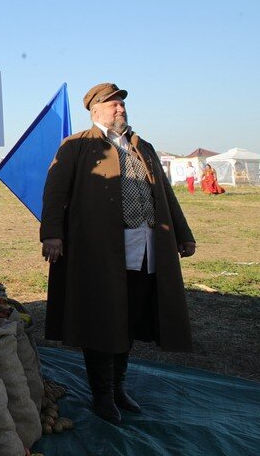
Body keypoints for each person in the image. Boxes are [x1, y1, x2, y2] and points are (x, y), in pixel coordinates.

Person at [40, 82, 196, 424]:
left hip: (146, 246)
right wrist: (52, 234)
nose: (120, 109)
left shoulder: (143, 147)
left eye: (122, 105)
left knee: (129, 315)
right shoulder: (77, 145)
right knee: (101, 317)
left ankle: (119, 387)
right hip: (100, 249)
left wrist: (182, 234)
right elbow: (54, 190)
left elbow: (167, 195)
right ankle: (102, 395)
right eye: (113, 105)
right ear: (96, 111)